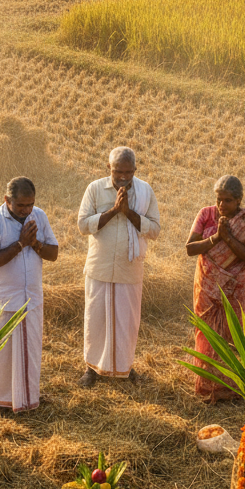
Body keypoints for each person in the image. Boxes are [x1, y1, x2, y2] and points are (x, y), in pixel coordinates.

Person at [77, 147, 160, 386]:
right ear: (108, 169)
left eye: (127, 172)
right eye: (117, 172)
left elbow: (154, 230)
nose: (123, 177)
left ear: (135, 169)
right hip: (99, 265)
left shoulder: (145, 191)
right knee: (95, 319)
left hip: (129, 267)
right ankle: (91, 369)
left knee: (127, 321)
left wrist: (129, 213)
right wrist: (114, 211)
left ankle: (125, 368)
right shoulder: (94, 189)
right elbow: (82, 226)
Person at [0, 176, 59, 416]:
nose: (26, 210)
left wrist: (34, 244)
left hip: (31, 297)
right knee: (1, 353)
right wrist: (21, 244)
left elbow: (53, 253)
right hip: (4, 298)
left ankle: (28, 396)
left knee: (31, 349)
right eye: (21, 205)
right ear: (7, 200)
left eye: (30, 205)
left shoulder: (40, 217)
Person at [185, 175, 245, 401]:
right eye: (219, 199)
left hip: (234, 288)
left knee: (231, 334)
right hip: (207, 285)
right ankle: (206, 385)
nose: (222, 205)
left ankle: (228, 387)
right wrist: (216, 238)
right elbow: (190, 248)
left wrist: (228, 238)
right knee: (207, 332)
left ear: (239, 200)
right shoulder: (206, 214)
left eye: (228, 200)